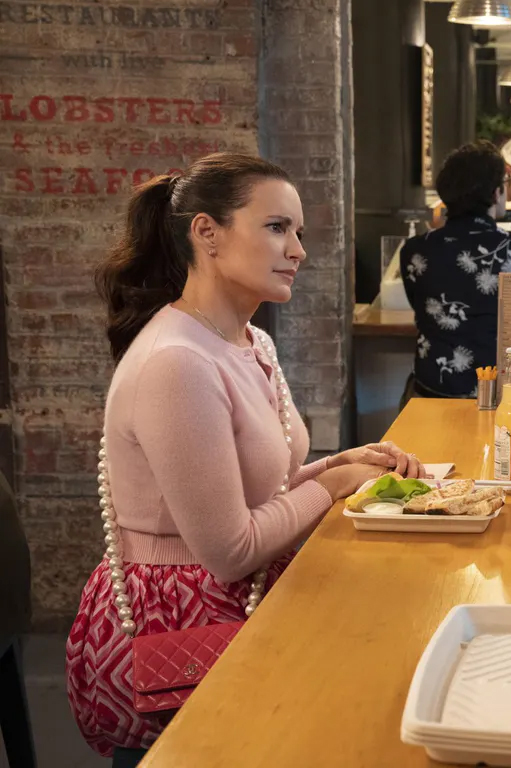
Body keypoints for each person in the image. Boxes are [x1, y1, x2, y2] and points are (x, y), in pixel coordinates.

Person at [67, 154, 427, 763]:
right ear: (207, 234)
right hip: (176, 626)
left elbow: (265, 488)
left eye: (299, 233)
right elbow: (229, 550)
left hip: (241, 599)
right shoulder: (177, 363)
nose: (298, 251)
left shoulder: (248, 339)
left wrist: (345, 462)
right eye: (277, 227)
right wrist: (336, 483)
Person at [402, 141, 511, 398]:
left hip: (432, 391)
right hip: (505, 397)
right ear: (496, 193)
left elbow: (420, 305)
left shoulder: (415, 251)